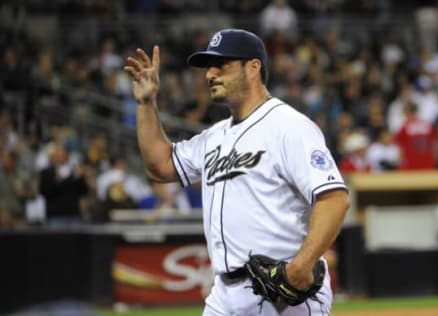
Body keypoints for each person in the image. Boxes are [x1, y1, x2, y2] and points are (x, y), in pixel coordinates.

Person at [124, 28, 349, 315]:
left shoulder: (289, 127)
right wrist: (146, 103)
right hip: (224, 292)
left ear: (253, 67)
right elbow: (161, 166)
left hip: (282, 292)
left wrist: (301, 267)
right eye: (208, 66)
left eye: (222, 64)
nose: (210, 74)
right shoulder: (214, 137)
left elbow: (335, 199)